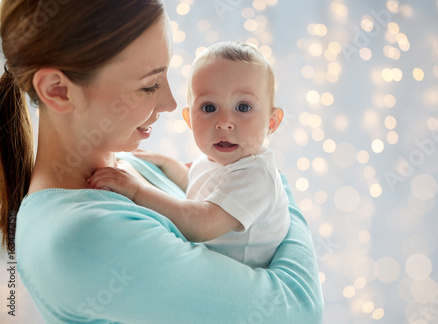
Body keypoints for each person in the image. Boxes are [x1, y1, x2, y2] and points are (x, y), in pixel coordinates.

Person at [0, 1, 323, 323]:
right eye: (149, 85)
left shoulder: (132, 166)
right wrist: (278, 188)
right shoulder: (84, 237)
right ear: (58, 90)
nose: (170, 103)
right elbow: (300, 310)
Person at [88, 41, 290, 268]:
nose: (224, 123)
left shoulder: (256, 175)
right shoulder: (214, 161)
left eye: (243, 107)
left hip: (239, 281)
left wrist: (138, 190)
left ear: (272, 122)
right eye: (209, 108)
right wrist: (167, 164)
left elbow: (201, 223)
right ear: (189, 120)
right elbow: (196, 187)